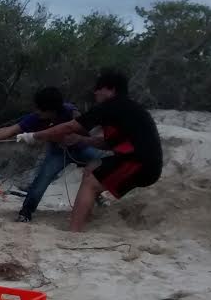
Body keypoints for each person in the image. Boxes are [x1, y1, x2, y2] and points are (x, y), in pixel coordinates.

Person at [17, 68, 163, 232]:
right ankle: (85, 216)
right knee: (91, 169)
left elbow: (70, 126)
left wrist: (34, 136)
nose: (95, 93)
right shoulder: (128, 109)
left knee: (90, 182)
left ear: (111, 89)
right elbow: (109, 143)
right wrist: (81, 139)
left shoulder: (110, 106)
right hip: (146, 162)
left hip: (139, 162)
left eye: (99, 88)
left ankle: (74, 232)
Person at [0, 87, 102, 222]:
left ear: (52, 110)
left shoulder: (71, 111)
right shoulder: (35, 118)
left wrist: (76, 137)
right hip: (57, 153)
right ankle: (25, 213)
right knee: (41, 181)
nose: (37, 112)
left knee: (103, 165)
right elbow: (11, 130)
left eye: (40, 110)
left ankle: (98, 198)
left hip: (82, 148)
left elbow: (87, 129)